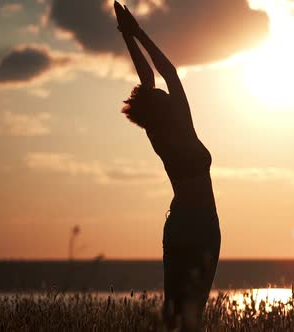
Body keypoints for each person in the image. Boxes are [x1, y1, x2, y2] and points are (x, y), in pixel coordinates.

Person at [113, 2, 221, 330]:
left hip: (179, 226)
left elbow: (149, 78)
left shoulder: (157, 133)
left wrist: (126, 34)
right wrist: (139, 33)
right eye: (160, 95)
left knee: (173, 313)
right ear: (160, 106)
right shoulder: (181, 126)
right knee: (190, 316)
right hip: (201, 227)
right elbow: (167, 73)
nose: (164, 93)